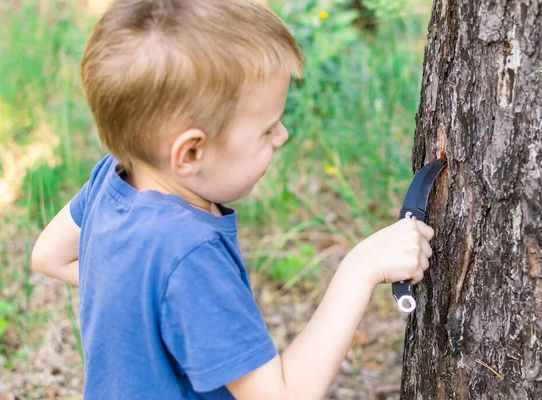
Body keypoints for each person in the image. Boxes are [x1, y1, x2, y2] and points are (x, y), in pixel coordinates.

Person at [31, 0, 435, 398]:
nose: (282, 137)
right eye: (267, 128)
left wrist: (153, 306)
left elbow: (49, 255)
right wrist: (359, 268)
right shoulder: (190, 252)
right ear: (190, 153)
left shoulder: (113, 177)